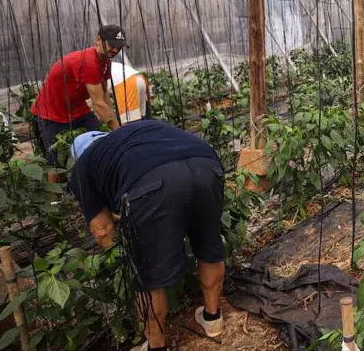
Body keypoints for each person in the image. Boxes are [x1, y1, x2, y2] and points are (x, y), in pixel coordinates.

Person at [68, 120, 226, 351]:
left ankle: (156, 345)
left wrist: (126, 252)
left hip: (153, 183)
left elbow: (102, 230)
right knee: (208, 246)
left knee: (146, 276)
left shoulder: (83, 165)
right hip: (206, 166)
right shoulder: (130, 137)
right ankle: (213, 319)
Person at [31, 25, 124, 164]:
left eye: (119, 46)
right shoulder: (88, 62)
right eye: (112, 45)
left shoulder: (105, 62)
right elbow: (98, 104)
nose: (116, 50)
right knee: (56, 163)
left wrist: (116, 125)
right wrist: (120, 135)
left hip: (77, 109)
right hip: (51, 113)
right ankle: (59, 184)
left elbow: (104, 96)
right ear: (98, 39)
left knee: (100, 142)